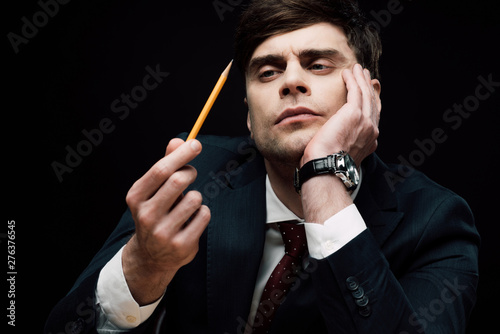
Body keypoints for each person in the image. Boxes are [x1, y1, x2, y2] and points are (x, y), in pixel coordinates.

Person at [45, 0, 479, 333]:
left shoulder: (436, 222)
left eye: (318, 64)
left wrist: (323, 178)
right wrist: (143, 267)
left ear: (368, 97)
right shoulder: (194, 177)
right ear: (250, 116)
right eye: (268, 72)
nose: (290, 80)